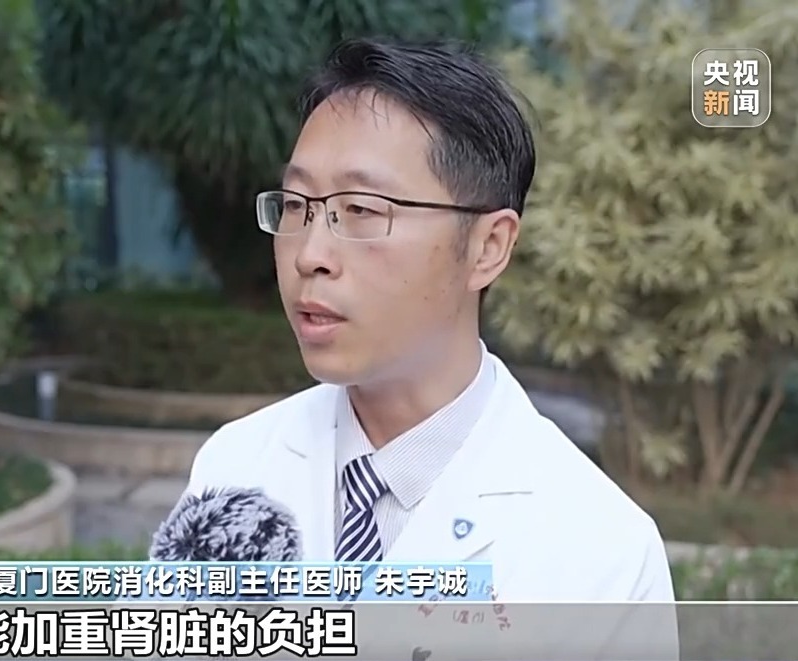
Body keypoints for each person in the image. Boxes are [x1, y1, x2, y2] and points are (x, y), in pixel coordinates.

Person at [173, 37, 679, 658]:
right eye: (298, 206)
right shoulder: (234, 467)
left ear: (488, 247)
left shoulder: (602, 553)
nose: (310, 254)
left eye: (362, 210)